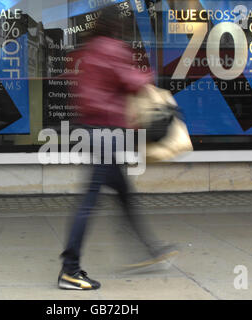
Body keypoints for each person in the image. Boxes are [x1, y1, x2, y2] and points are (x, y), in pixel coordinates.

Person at [58, 5, 178, 290]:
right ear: (118, 26)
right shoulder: (113, 48)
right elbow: (133, 82)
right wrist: (148, 72)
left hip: (90, 128)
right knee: (89, 201)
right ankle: (69, 269)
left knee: (124, 193)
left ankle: (152, 250)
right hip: (106, 131)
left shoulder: (86, 50)